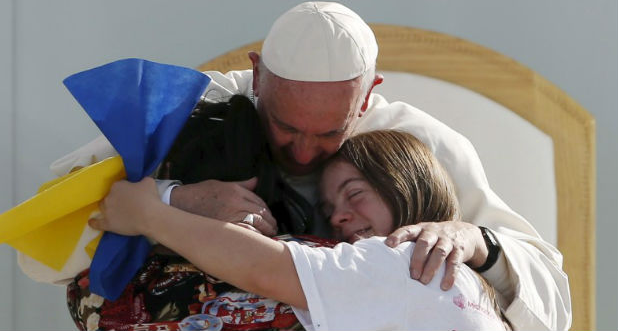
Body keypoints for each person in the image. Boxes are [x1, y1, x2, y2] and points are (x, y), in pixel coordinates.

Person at [19, 1, 570, 330]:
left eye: (330, 133)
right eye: (285, 126)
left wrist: (474, 240)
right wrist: (179, 197)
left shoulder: (417, 144)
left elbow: (552, 301)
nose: (304, 153)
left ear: (368, 95)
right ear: (256, 76)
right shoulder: (190, 112)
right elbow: (40, 251)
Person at [90, 129, 511, 331]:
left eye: (355, 193)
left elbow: (262, 268)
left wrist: (150, 211)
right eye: (329, 209)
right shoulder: (471, 289)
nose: (340, 217)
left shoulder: (403, 262)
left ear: (405, 182)